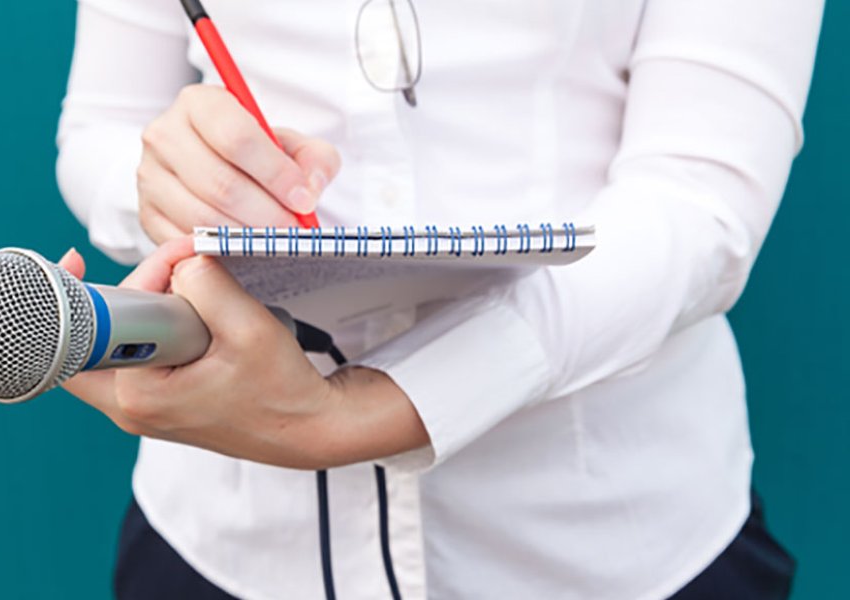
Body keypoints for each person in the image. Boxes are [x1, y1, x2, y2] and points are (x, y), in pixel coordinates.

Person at [53, 0, 823, 598]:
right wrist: (167, 188)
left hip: (604, 541)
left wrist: (368, 412)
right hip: (226, 537)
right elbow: (101, 129)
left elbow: (700, 205)